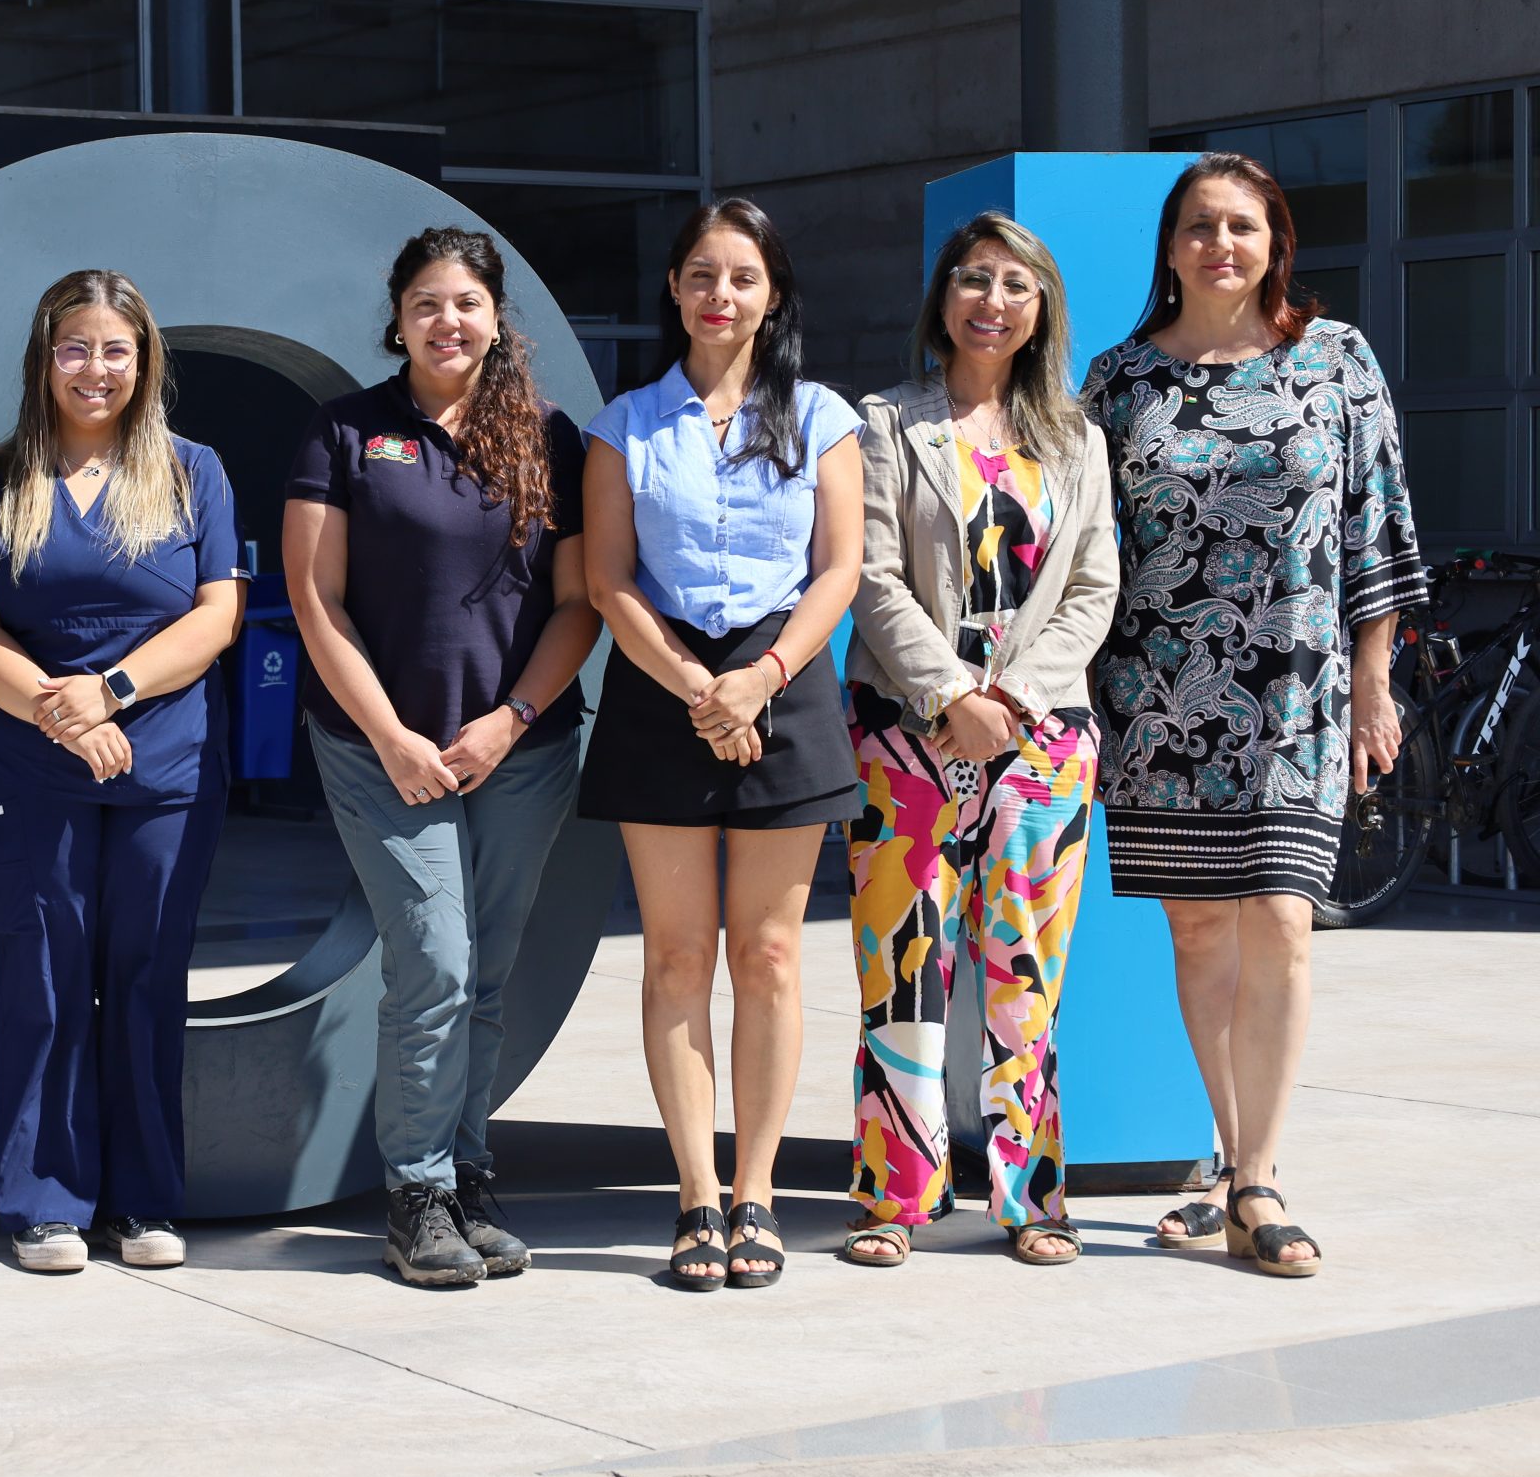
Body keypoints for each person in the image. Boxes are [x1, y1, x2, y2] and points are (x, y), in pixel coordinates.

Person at [1082, 153, 1424, 1277]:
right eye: (1198, 227)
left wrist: (1373, 680)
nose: (1219, 244)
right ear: (1169, 247)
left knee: (1280, 919)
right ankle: (1230, 1163)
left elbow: (1376, 525)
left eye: (1241, 226)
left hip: (1295, 691)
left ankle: (1261, 1177)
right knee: (1198, 933)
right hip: (1157, 698)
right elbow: (1087, 550)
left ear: (1275, 242)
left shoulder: (1333, 362)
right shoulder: (1117, 380)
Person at [283, 226, 601, 1288]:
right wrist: (391, 736)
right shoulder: (343, 432)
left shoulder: (548, 440)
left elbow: (577, 606)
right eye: (426, 303)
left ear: (495, 315)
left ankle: (467, 1175)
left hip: (518, 747)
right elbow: (315, 603)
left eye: (464, 302)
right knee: (436, 964)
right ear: (398, 314)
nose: (446, 322)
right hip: (382, 750)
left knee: (489, 973)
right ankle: (413, 1193)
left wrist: (508, 719)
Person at [579, 198, 864, 1292]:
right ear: (673, 290)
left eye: (741, 277)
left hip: (782, 681)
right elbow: (606, 579)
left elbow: (837, 569)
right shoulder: (624, 425)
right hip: (664, 682)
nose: (719, 296)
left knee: (771, 955)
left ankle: (758, 1196)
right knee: (678, 956)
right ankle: (695, 1196)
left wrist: (759, 677)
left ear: (772, 294)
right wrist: (700, 683)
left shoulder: (823, 417)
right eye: (700, 276)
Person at [0, 270, 245, 1273]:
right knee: (43, 980)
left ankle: (144, 1202)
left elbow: (216, 616)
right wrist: (54, 710)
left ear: (144, 361)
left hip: (164, 763)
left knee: (146, 977)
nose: (96, 369)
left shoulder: (195, 471)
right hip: (30, 764)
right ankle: (45, 1203)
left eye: (117, 349)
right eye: (76, 348)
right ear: (44, 358)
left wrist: (107, 693)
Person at [838, 212, 1118, 1270]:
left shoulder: (1076, 439)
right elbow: (867, 576)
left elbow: (1094, 589)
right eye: (970, 280)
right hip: (906, 738)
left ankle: (1029, 1197)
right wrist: (950, 694)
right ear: (941, 299)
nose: (989, 302)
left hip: (1044, 742)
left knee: (1023, 976)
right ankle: (893, 1198)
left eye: (1013, 284)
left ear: (1039, 306)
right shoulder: (884, 425)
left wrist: (1016, 700)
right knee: (902, 970)